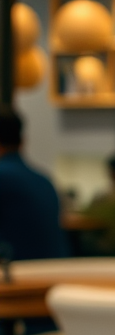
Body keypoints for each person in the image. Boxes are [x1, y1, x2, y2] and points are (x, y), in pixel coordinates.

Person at [0, 106, 68, 264]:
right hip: (52, 278)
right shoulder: (45, 181)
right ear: (23, 141)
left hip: (19, 279)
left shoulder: (4, 177)